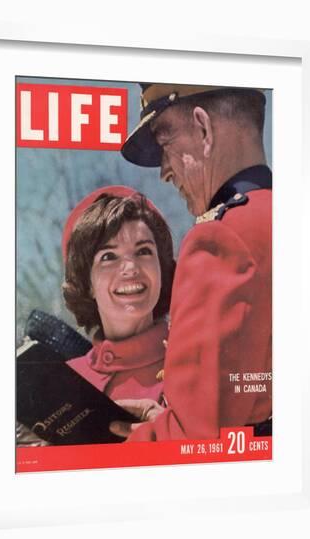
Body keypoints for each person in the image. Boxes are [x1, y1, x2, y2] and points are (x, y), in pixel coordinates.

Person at [111, 83, 272, 440]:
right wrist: (169, 414)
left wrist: (103, 445)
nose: (164, 172)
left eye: (165, 144)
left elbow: (195, 443)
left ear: (203, 129)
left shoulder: (221, 239)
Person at [62, 186, 176, 409]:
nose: (131, 268)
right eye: (109, 256)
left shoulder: (194, 360)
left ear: (161, 268)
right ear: (87, 283)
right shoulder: (63, 381)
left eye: (143, 251)